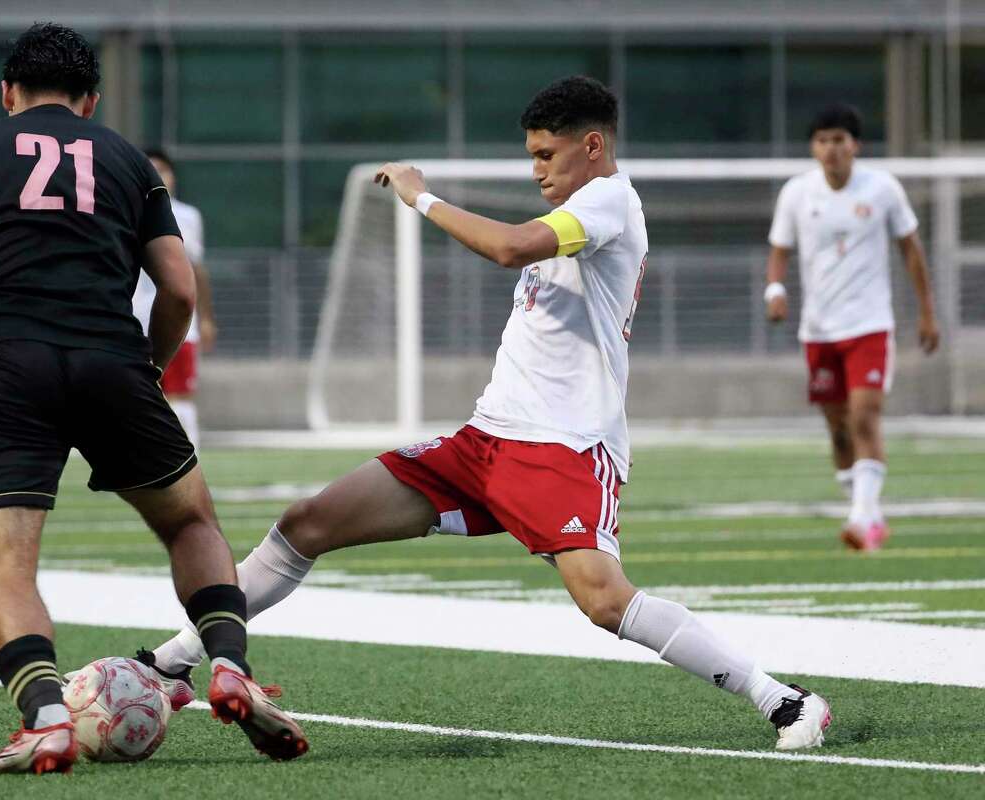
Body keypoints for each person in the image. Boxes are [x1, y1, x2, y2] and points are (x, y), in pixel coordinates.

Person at [121, 76, 831, 751]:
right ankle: (174, 663)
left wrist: (422, 198)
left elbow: (507, 247)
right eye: (531, 157)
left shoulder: (611, 201)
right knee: (307, 523)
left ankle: (785, 700)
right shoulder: (574, 210)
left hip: (564, 448)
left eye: (546, 155)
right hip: (485, 442)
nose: (536, 171)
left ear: (592, 146)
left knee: (604, 601)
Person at [0, 23, 306, 774]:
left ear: (7, 94)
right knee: (190, 522)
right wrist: (142, 369)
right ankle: (229, 665)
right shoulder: (128, 161)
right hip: (111, 358)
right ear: (90, 102)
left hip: (4, 366)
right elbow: (177, 287)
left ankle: (48, 719)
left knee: (5, 566)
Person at [765, 104, 939, 551]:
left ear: (855, 145)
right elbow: (780, 249)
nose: (831, 150)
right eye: (823, 141)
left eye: (840, 140)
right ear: (813, 147)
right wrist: (775, 290)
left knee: (865, 416)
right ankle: (869, 513)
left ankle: (862, 520)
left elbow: (911, 249)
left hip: (869, 325)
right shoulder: (797, 193)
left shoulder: (882, 189)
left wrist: (926, 311)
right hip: (819, 330)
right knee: (839, 430)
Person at [130, 149, 218, 443]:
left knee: (179, 396)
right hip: (133, 320)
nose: (159, 176)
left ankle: (188, 460)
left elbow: (196, 269)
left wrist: (206, 318)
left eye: (163, 170)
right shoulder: (124, 209)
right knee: (137, 396)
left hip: (178, 321)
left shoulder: (187, 215)